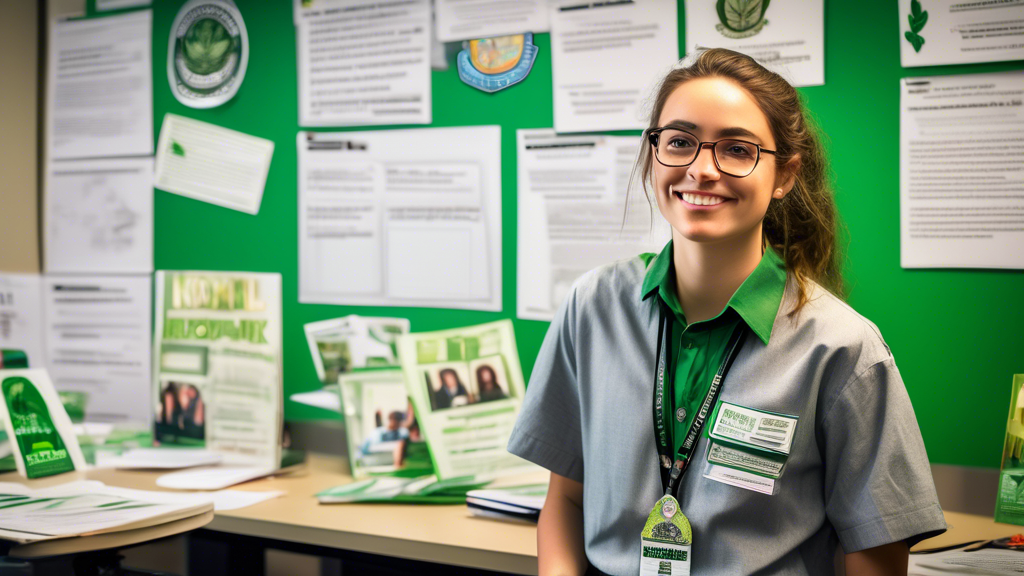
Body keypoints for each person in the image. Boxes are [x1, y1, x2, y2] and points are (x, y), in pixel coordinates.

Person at [507, 48, 946, 576]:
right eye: (679, 142)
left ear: (784, 175)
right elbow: (567, 501)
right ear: (653, 156)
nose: (701, 168)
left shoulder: (844, 350)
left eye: (737, 149)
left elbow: (876, 552)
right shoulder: (592, 308)